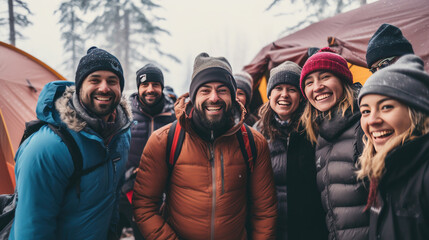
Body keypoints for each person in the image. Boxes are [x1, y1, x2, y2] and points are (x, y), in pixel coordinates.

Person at [132, 52, 277, 240]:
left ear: (233, 96)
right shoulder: (165, 140)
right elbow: (144, 206)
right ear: (193, 96)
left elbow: (264, 211)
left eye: (222, 90)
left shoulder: (253, 142)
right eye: (205, 90)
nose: (214, 97)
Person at [10, 47, 132, 239]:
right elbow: (32, 227)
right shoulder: (47, 148)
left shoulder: (121, 134)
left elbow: (111, 199)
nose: (104, 87)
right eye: (95, 80)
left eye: (112, 81)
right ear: (79, 86)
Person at [299, 47, 369, 240]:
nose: (317, 87)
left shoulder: (365, 124)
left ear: (343, 80)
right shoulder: (319, 134)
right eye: (309, 82)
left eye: (325, 77)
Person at [357, 54, 429, 240]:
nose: (372, 120)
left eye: (386, 107)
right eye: (365, 111)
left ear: (417, 113)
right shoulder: (380, 172)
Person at [254, 61, 328, 240]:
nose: (284, 95)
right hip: (271, 231)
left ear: (302, 96)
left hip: (310, 231)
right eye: (278, 88)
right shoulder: (256, 134)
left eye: (292, 89)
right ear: (269, 94)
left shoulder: (316, 129)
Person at [119, 63, 176, 239]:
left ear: (161, 87)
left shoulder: (174, 115)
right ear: (138, 87)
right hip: (129, 189)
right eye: (145, 85)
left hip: (165, 193)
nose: (150, 89)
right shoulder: (124, 113)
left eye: (155, 85)